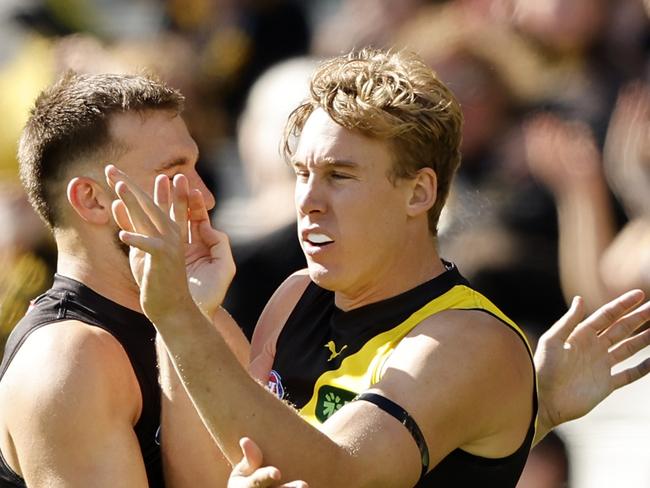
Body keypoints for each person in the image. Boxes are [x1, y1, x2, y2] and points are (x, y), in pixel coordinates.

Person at [107, 48, 650, 487]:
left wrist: (178, 316)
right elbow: (221, 468)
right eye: (302, 173)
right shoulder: (296, 295)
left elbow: (342, 473)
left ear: (419, 192)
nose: (309, 201)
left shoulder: (467, 339)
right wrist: (195, 313)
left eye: (340, 176)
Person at [0, 71, 256, 487]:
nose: (204, 197)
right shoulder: (68, 360)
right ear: (92, 199)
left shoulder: (208, 321)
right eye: (174, 174)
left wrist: (189, 316)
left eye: (196, 166)